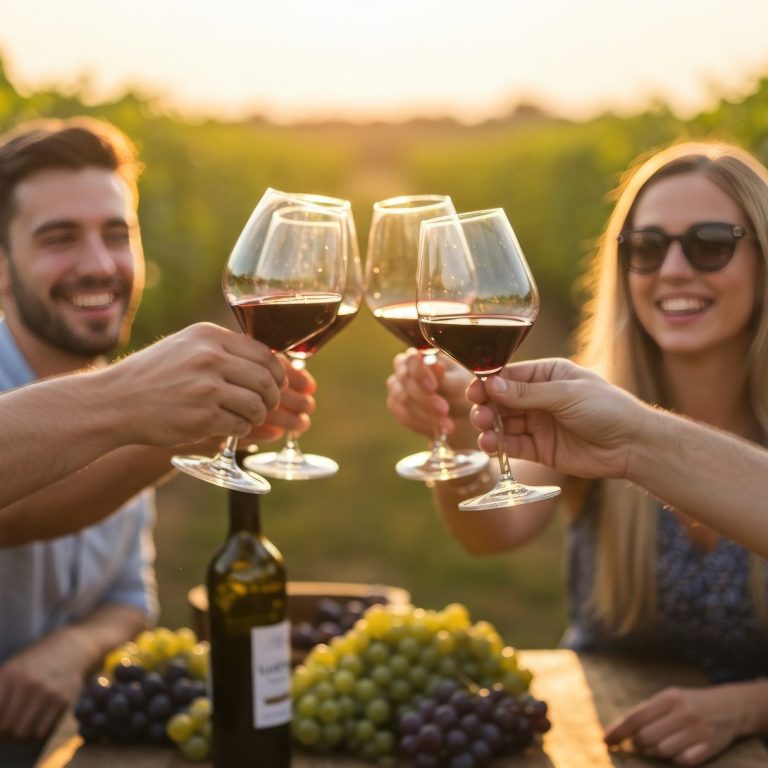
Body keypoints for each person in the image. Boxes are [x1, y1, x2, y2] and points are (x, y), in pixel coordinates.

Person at [387, 141, 768, 765]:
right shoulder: (591, 401)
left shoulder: (611, 421)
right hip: (606, 736)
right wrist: (458, 434)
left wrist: (750, 705)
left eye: (708, 243)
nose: (673, 269)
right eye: (646, 247)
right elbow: (490, 532)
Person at [0, 117, 313, 764]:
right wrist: (130, 401)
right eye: (59, 238)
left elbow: (129, 599)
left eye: (119, 235)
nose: (99, 264)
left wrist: (76, 646)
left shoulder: (118, 401)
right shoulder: (116, 397)